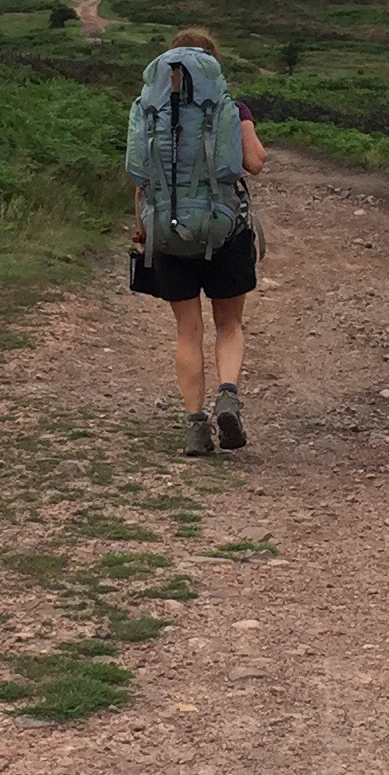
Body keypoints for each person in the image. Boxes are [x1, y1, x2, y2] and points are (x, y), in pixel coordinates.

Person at [126, 26, 266, 455]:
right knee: (229, 324)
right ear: (212, 65)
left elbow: (140, 179)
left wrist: (144, 229)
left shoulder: (149, 109)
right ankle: (228, 396)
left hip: (167, 233)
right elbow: (254, 162)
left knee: (187, 332)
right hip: (225, 231)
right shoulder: (231, 108)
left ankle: (194, 427)